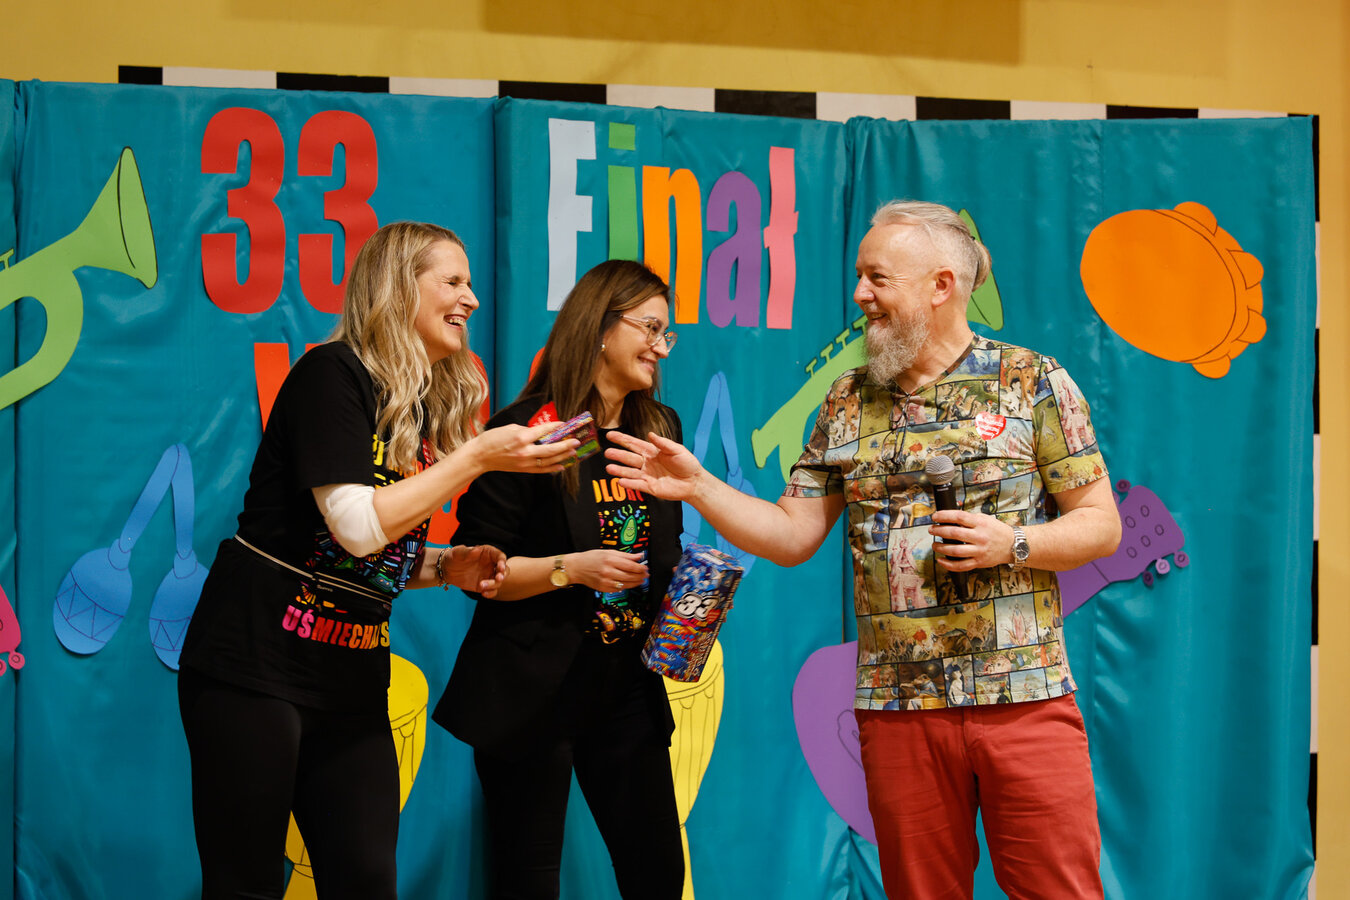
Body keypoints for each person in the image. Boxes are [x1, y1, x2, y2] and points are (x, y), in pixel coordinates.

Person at [606, 201, 1122, 900]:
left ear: (941, 286)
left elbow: (1101, 525)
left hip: (1024, 699)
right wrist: (698, 485)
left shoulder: (1032, 381)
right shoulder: (846, 400)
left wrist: (1015, 542)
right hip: (896, 707)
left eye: (878, 278)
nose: (859, 295)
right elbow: (792, 534)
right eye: (860, 276)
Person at [177, 221, 577, 900]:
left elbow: (367, 553)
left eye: (472, 283)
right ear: (399, 288)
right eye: (452, 281)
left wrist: (446, 566)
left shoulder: (414, 407)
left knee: (366, 880)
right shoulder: (333, 374)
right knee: (245, 884)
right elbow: (357, 527)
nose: (471, 299)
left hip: (350, 681)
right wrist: (478, 456)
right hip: (256, 665)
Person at [432, 259, 686, 900]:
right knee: (528, 880)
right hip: (532, 688)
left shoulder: (657, 431)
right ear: (601, 327)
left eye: (667, 333)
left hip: (626, 686)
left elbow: (665, 551)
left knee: (658, 873)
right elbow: (478, 568)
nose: (661, 347)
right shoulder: (531, 431)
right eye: (650, 328)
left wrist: (694, 599)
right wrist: (571, 570)